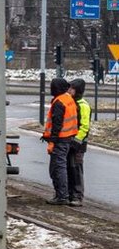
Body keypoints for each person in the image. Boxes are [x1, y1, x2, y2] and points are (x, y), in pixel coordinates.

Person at [41, 76, 78, 205]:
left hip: (60, 140)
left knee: (57, 168)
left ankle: (62, 196)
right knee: (59, 167)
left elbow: (57, 124)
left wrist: (52, 141)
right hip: (68, 138)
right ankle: (62, 194)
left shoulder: (59, 102)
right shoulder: (68, 99)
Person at [68, 77, 91, 206]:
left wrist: (77, 140)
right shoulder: (72, 103)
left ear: (77, 91)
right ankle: (71, 193)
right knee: (70, 168)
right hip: (71, 141)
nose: (69, 90)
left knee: (76, 169)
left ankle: (77, 196)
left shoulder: (83, 105)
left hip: (79, 144)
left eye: (71, 88)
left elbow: (84, 126)